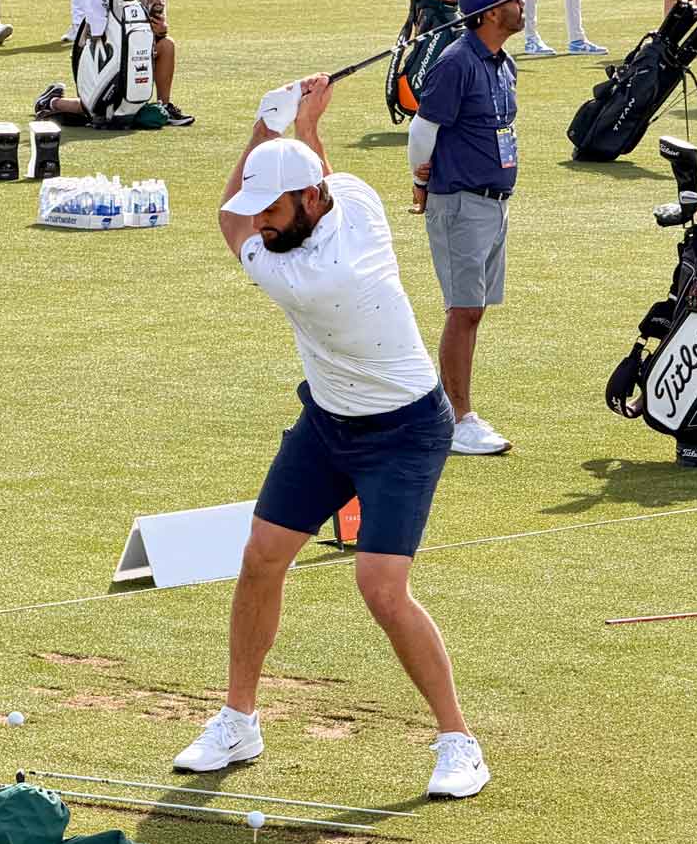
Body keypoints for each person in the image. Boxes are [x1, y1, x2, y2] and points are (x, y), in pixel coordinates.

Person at [175, 74, 489, 801]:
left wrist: (266, 122)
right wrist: (302, 125)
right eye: (260, 210)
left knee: (380, 587)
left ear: (311, 200)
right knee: (261, 556)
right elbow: (295, 178)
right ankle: (239, 720)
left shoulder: (308, 275)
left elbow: (225, 219)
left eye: (271, 209)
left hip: (405, 430)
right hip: (327, 421)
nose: (259, 222)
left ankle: (459, 741)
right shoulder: (356, 201)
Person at [407, 0, 525, 456]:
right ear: (492, 13)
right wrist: (420, 185)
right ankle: (457, 420)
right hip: (460, 203)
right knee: (464, 310)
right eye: (515, 0)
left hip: (493, 204)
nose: (523, 6)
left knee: (473, 310)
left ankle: (454, 413)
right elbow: (422, 130)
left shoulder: (503, 62)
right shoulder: (456, 63)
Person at [33, 0, 193, 127]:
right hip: (108, 48)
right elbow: (116, 22)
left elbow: (156, 24)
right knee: (103, 106)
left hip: (133, 46)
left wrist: (161, 29)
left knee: (166, 45)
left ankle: (164, 106)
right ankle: (53, 102)